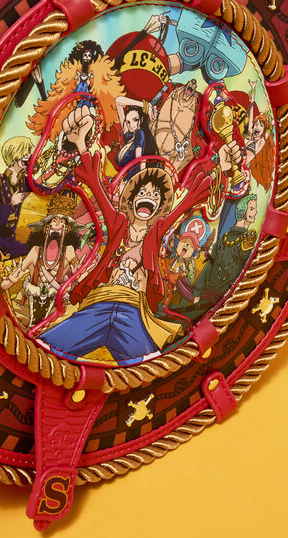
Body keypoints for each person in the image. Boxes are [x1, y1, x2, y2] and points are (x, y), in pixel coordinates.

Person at [39, 104, 241, 364]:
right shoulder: (117, 223)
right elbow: (96, 186)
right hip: (99, 304)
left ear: (160, 205)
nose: (149, 197)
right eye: (143, 193)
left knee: (150, 360)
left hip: (133, 311)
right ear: (131, 199)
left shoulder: (157, 231)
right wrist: (80, 143)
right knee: (54, 344)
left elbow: (190, 198)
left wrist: (219, 164)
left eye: (156, 195)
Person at [0, 191, 86, 327]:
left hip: (56, 309)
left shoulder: (69, 251)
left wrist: (83, 275)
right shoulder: (35, 251)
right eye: (54, 220)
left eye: (62, 222)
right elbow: (11, 280)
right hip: (28, 306)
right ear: (47, 227)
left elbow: (79, 273)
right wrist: (7, 281)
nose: (57, 224)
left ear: (66, 229)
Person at [193, 194, 259, 308]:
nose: (256, 212)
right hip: (208, 296)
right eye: (252, 209)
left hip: (225, 302)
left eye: (255, 209)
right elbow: (209, 266)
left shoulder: (246, 243)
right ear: (242, 211)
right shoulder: (223, 240)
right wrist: (197, 293)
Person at [0, 136, 32, 258]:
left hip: (11, 242)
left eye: (29, 151)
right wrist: (11, 204)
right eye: (26, 151)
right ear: (14, 154)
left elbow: (44, 189)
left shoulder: (25, 182)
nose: (29, 155)